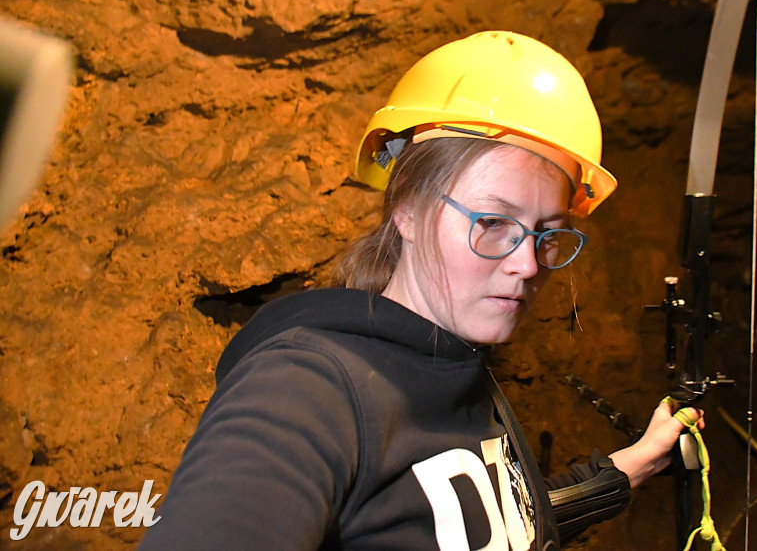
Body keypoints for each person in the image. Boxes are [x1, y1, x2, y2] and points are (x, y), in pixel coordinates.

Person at [140, 30, 698, 550]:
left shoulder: (457, 369)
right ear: (406, 208)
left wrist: (628, 469)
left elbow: (481, 522)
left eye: (547, 234)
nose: (528, 265)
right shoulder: (307, 390)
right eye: (491, 223)